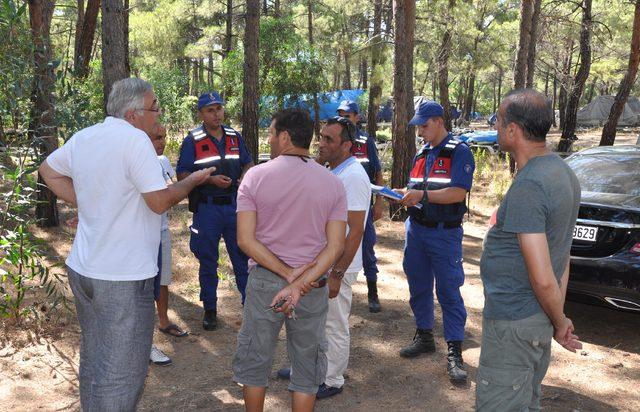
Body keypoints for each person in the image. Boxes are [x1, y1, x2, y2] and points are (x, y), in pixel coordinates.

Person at [38, 78, 213, 410]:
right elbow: (159, 202)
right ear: (133, 114)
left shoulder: (86, 136)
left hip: (84, 269)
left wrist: (88, 204)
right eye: (155, 108)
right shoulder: (135, 141)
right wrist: (191, 181)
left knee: (96, 358)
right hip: (122, 276)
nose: (158, 115)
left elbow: (48, 170)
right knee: (123, 371)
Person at [232, 109, 347, 412]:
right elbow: (335, 246)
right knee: (307, 365)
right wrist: (300, 281)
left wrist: (286, 273)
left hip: (266, 282)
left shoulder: (255, 176)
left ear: (284, 136)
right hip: (312, 285)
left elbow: (245, 239)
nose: (269, 139)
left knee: (256, 359)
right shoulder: (333, 183)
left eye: (270, 133)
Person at [476, 89, 582, 411]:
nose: (495, 127)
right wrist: (552, 317)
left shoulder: (530, 185)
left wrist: (560, 321)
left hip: (514, 325)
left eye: (498, 120)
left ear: (513, 131)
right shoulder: (563, 172)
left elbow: (542, 277)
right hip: (532, 320)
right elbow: (562, 255)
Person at [394, 100, 475, 383]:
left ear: (440, 121)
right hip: (416, 230)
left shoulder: (460, 152)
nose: (420, 132)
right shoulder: (422, 153)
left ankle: (454, 350)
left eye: (424, 126)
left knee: (449, 291)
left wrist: (422, 196)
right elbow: (416, 188)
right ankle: (424, 335)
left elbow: (457, 193)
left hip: (444, 233)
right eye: (418, 126)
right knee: (418, 285)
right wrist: (402, 193)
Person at [176, 92, 254, 331]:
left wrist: (243, 177)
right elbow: (182, 175)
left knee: (242, 259)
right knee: (208, 260)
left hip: (234, 207)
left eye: (219, 108)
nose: (216, 113)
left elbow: (248, 162)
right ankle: (210, 309)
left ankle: (250, 308)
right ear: (201, 114)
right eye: (210, 110)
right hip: (207, 209)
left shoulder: (234, 136)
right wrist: (209, 181)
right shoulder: (193, 140)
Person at [336, 100, 384, 313]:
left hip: (363, 206)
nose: (344, 119)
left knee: (366, 248)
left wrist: (379, 202)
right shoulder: (335, 140)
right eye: (341, 115)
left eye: (347, 116)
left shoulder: (366, 141)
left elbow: (378, 172)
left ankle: (372, 293)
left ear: (356, 117)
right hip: (339, 206)